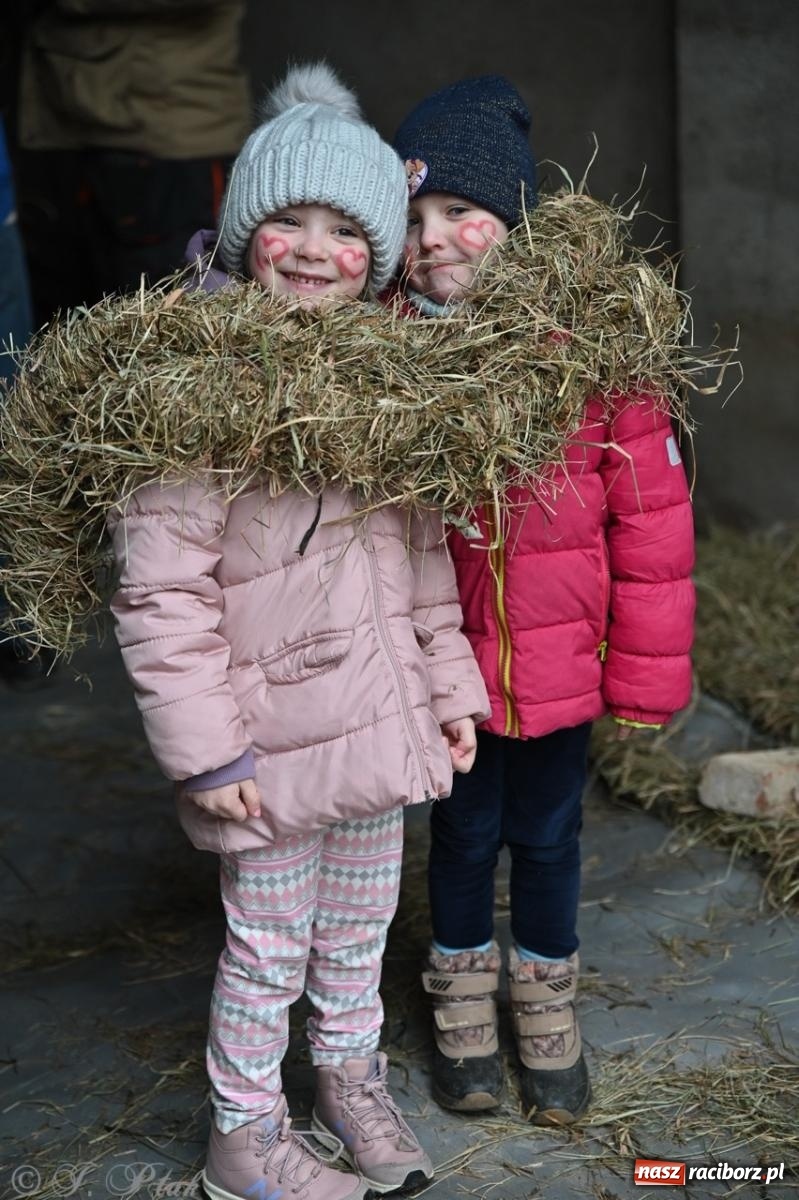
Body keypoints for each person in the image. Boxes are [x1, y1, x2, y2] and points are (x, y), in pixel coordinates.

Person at [107, 65, 490, 1200]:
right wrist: (206, 752)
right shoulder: (199, 388)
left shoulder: (385, 383)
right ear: (244, 234)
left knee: (358, 930)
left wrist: (447, 686)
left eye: (346, 230)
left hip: (377, 722)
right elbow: (161, 592)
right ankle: (243, 1135)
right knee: (268, 946)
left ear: (378, 257)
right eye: (291, 222)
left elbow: (423, 556)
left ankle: (347, 1083)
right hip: (266, 747)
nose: (316, 251)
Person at [391, 77, 695, 1125]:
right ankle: (461, 1001)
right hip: (452, 668)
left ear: (515, 222)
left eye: (457, 212)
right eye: (412, 218)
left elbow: (651, 527)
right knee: (461, 833)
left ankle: (545, 1001)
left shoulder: (595, 353)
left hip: (564, 664)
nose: (432, 239)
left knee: (551, 835)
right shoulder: (389, 357)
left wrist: (645, 675)